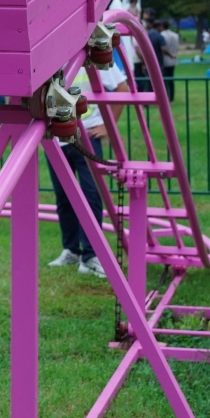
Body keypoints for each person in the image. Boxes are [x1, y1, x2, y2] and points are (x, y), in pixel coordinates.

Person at [46, 64, 130, 279]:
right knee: (63, 196)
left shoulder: (92, 58)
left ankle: (91, 255)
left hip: (87, 136)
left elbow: (122, 88)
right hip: (56, 137)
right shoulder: (48, 57)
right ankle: (71, 250)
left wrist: (107, 126)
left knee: (91, 195)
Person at [160, 19, 180, 102]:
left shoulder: (161, 35)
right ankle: (171, 98)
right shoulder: (175, 35)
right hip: (173, 59)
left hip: (165, 59)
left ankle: (166, 97)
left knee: (165, 80)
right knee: (171, 79)